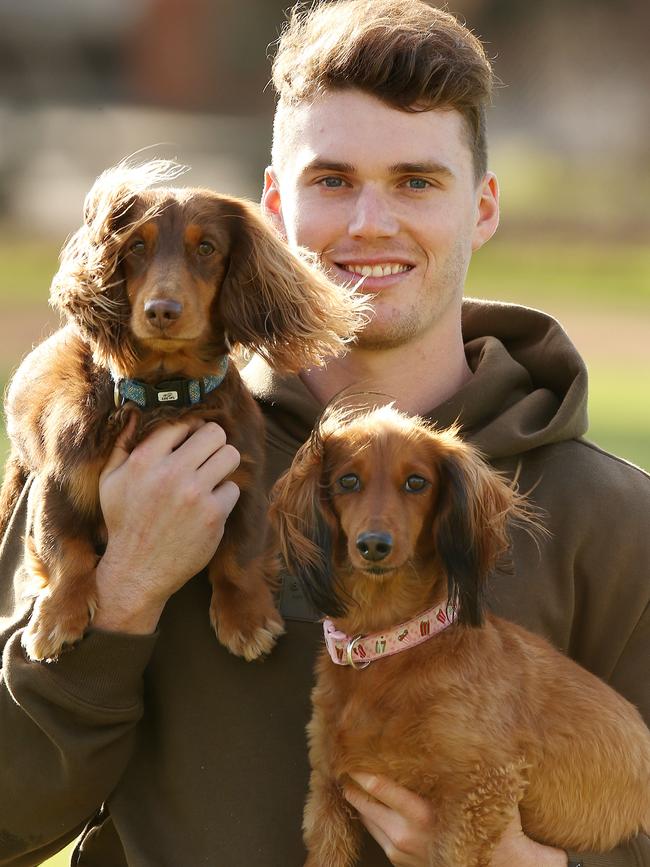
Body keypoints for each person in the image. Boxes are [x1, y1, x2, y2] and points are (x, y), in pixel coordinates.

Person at [0, 1, 648, 865]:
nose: (369, 223)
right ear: (273, 203)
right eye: (332, 180)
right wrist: (122, 596)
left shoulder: (612, 517)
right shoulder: (125, 453)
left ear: (484, 207)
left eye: (416, 181)